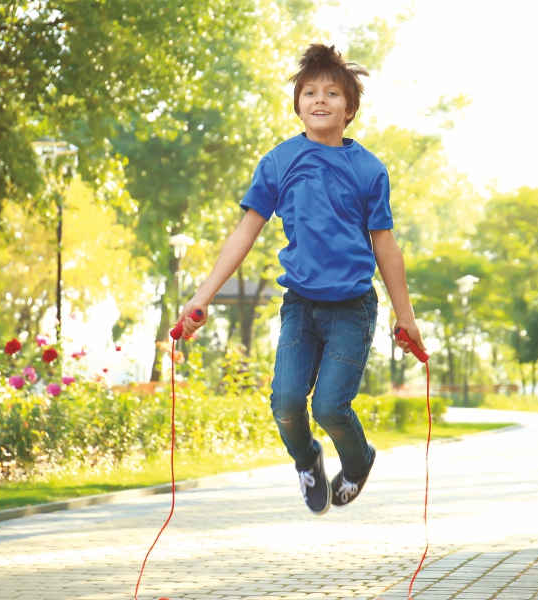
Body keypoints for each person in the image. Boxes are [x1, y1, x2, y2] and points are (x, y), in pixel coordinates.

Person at [175, 43, 425, 515]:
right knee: (287, 402)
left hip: (352, 307)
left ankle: (357, 462)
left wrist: (405, 317)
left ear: (349, 108)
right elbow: (244, 233)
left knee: (331, 407)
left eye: (332, 93)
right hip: (301, 305)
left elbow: (386, 247)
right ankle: (307, 459)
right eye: (309, 91)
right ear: (297, 103)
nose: (320, 100)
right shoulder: (278, 162)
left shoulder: (370, 170)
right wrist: (201, 297)